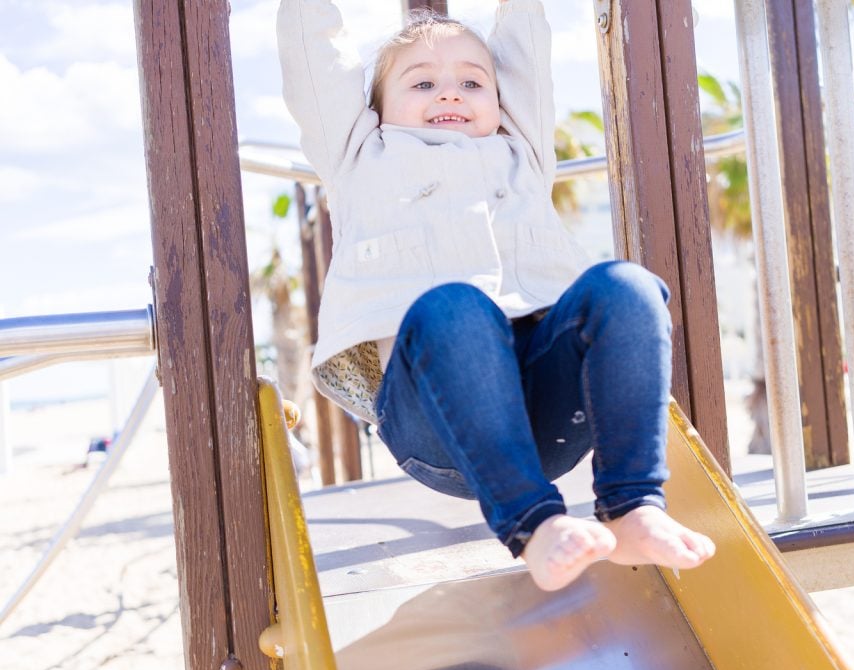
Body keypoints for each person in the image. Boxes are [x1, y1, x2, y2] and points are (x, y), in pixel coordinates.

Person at [277, 0, 715, 591]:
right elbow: (314, 61)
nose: (451, 94)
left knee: (629, 286)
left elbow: (525, 41)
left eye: (472, 82)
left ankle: (633, 505)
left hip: (550, 417)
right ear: (376, 111)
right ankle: (535, 525)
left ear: (501, 100)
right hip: (437, 428)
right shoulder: (359, 158)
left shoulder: (523, 154)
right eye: (424, 82)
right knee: (453, 305)